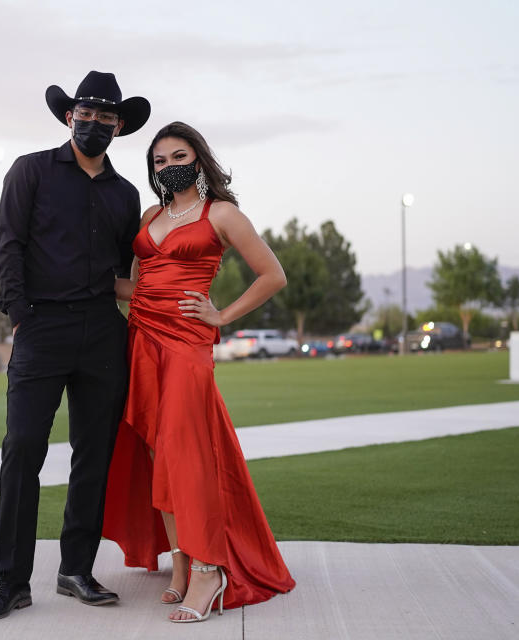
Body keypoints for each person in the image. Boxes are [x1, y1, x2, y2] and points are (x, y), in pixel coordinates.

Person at [0, 71, 150, 620]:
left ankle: (76, 570)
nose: (94, 124)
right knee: (22, 449)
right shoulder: (30, 171)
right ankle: (11, 582)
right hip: (41, 330)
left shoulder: (125, 193)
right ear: (70, 116)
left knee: (94, 455)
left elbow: (126, 271)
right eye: (85, 114)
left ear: (119, 127)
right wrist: (20, 317)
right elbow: (8, 247)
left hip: (102, 332)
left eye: (106, 117)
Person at [102, 121, 296, 623]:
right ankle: (182, 565)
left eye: (178, 156)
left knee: (183, 453)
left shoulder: (223, 214)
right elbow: (137, 287)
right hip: (142, 338)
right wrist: (77, 277)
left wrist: (222, 316)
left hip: (187, 345)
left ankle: (210, 571)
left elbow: (273, 275)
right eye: (159, 161)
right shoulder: (150, 215)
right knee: (156, 452)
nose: (168, 166)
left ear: (199, 159)